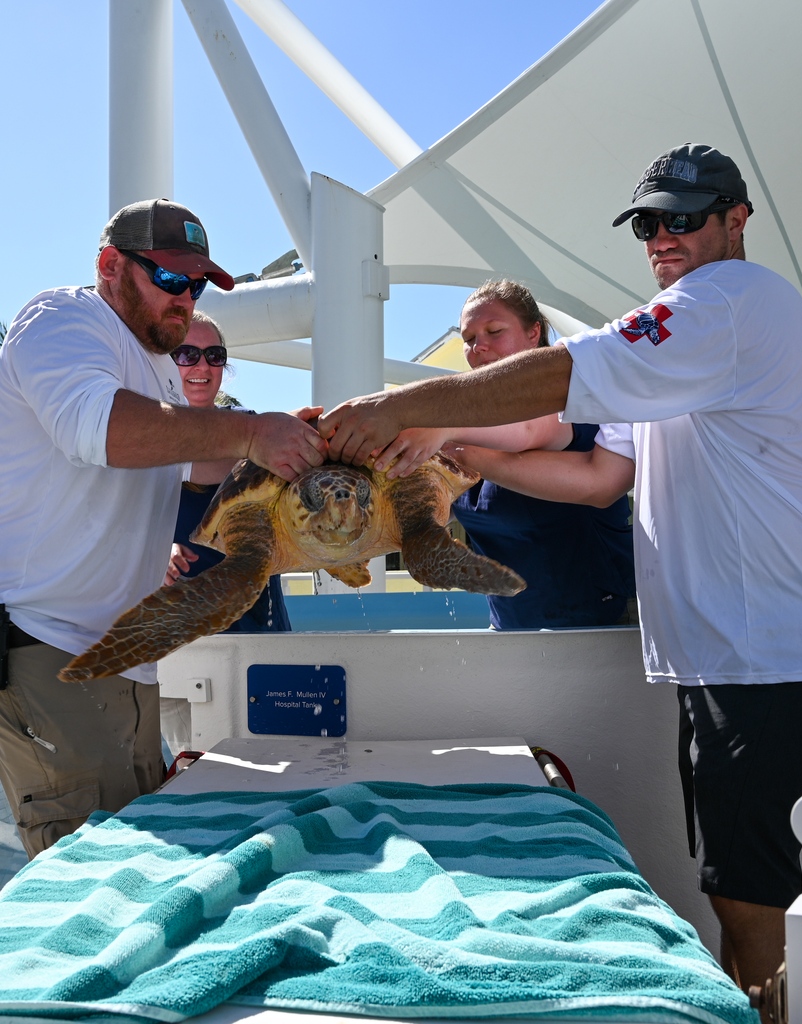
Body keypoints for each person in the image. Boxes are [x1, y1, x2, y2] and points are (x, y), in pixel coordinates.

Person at [318, 144, 802, 999]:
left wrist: (396, 406)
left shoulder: (727, 300)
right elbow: (597, 481)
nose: (662, 236)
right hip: (722, 655)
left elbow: (561, 377)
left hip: (768, 652)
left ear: (737, 221)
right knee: (734, 869)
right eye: (649, 222)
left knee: (752, 880)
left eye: (684, 217)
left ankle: (762, 1013)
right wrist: (462, 449)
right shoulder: (682, 342)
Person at [0, 198, 327, 859]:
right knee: (87, 883)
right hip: (45, 647)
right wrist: (251, 430)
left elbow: (196, 459)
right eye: (171, 279)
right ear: (109, 266)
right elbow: (104, 428)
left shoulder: (154, 366)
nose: (185, 299)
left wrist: (298, 435)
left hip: (123, 662)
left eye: (198, 284)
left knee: (135, 870)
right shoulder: (62, 319)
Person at [380, 280, 635, 629]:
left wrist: (440, 426)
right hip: (510, 634)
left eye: (494, 331)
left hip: (607, 629)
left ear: (535, 333)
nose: (478, 347)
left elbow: (528, 427)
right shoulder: (454, 439)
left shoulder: (570, 399)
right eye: (468, 340)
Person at [160, 311, 292, 757]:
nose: (201, 367)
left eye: (214, 355)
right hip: (178, 643)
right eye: (186, 353)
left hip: (260, 629)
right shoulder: (139, 437)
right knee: (193, 772)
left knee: (280, 763)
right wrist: (150, 552)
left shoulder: (259, 430)